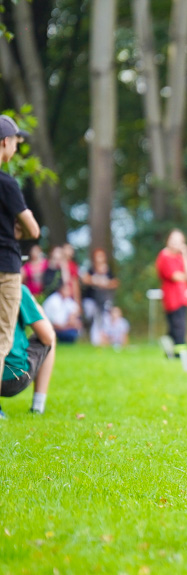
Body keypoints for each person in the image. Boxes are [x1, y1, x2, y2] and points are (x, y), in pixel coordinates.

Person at [0, 114, 40, 412]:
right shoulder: (7, 183)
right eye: (15, 140)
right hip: (4, 267)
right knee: (2, 335)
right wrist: (20, 229)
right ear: (4, 143)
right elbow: (34, 229)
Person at [0, 285, 56, 417]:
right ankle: (38, 406)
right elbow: (47, 337)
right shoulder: (16, 289)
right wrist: (38, 310)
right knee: (49, 336)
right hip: (13, 377)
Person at [155, 229, 187, 355]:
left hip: (182, 297)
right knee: (178, 327)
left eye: (179, 241)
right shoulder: (164, 256)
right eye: (173, 240)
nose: (175, 243)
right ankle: (178, 354)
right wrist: (184, 276)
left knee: (176, 327)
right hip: (172, 299)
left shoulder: (180, 257)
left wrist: (186, 255)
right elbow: (176, 276)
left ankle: (169, 352)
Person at [80, 247, 119, 344]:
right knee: (94, 316)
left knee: (106, 318)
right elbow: (85, 279)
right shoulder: (91, 270)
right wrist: (97, 280)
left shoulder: (108, 271)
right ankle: (93, 338)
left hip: (104, 302)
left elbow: (115, 282)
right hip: (91, 301)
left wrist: (106, 282)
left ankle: (106, 339)